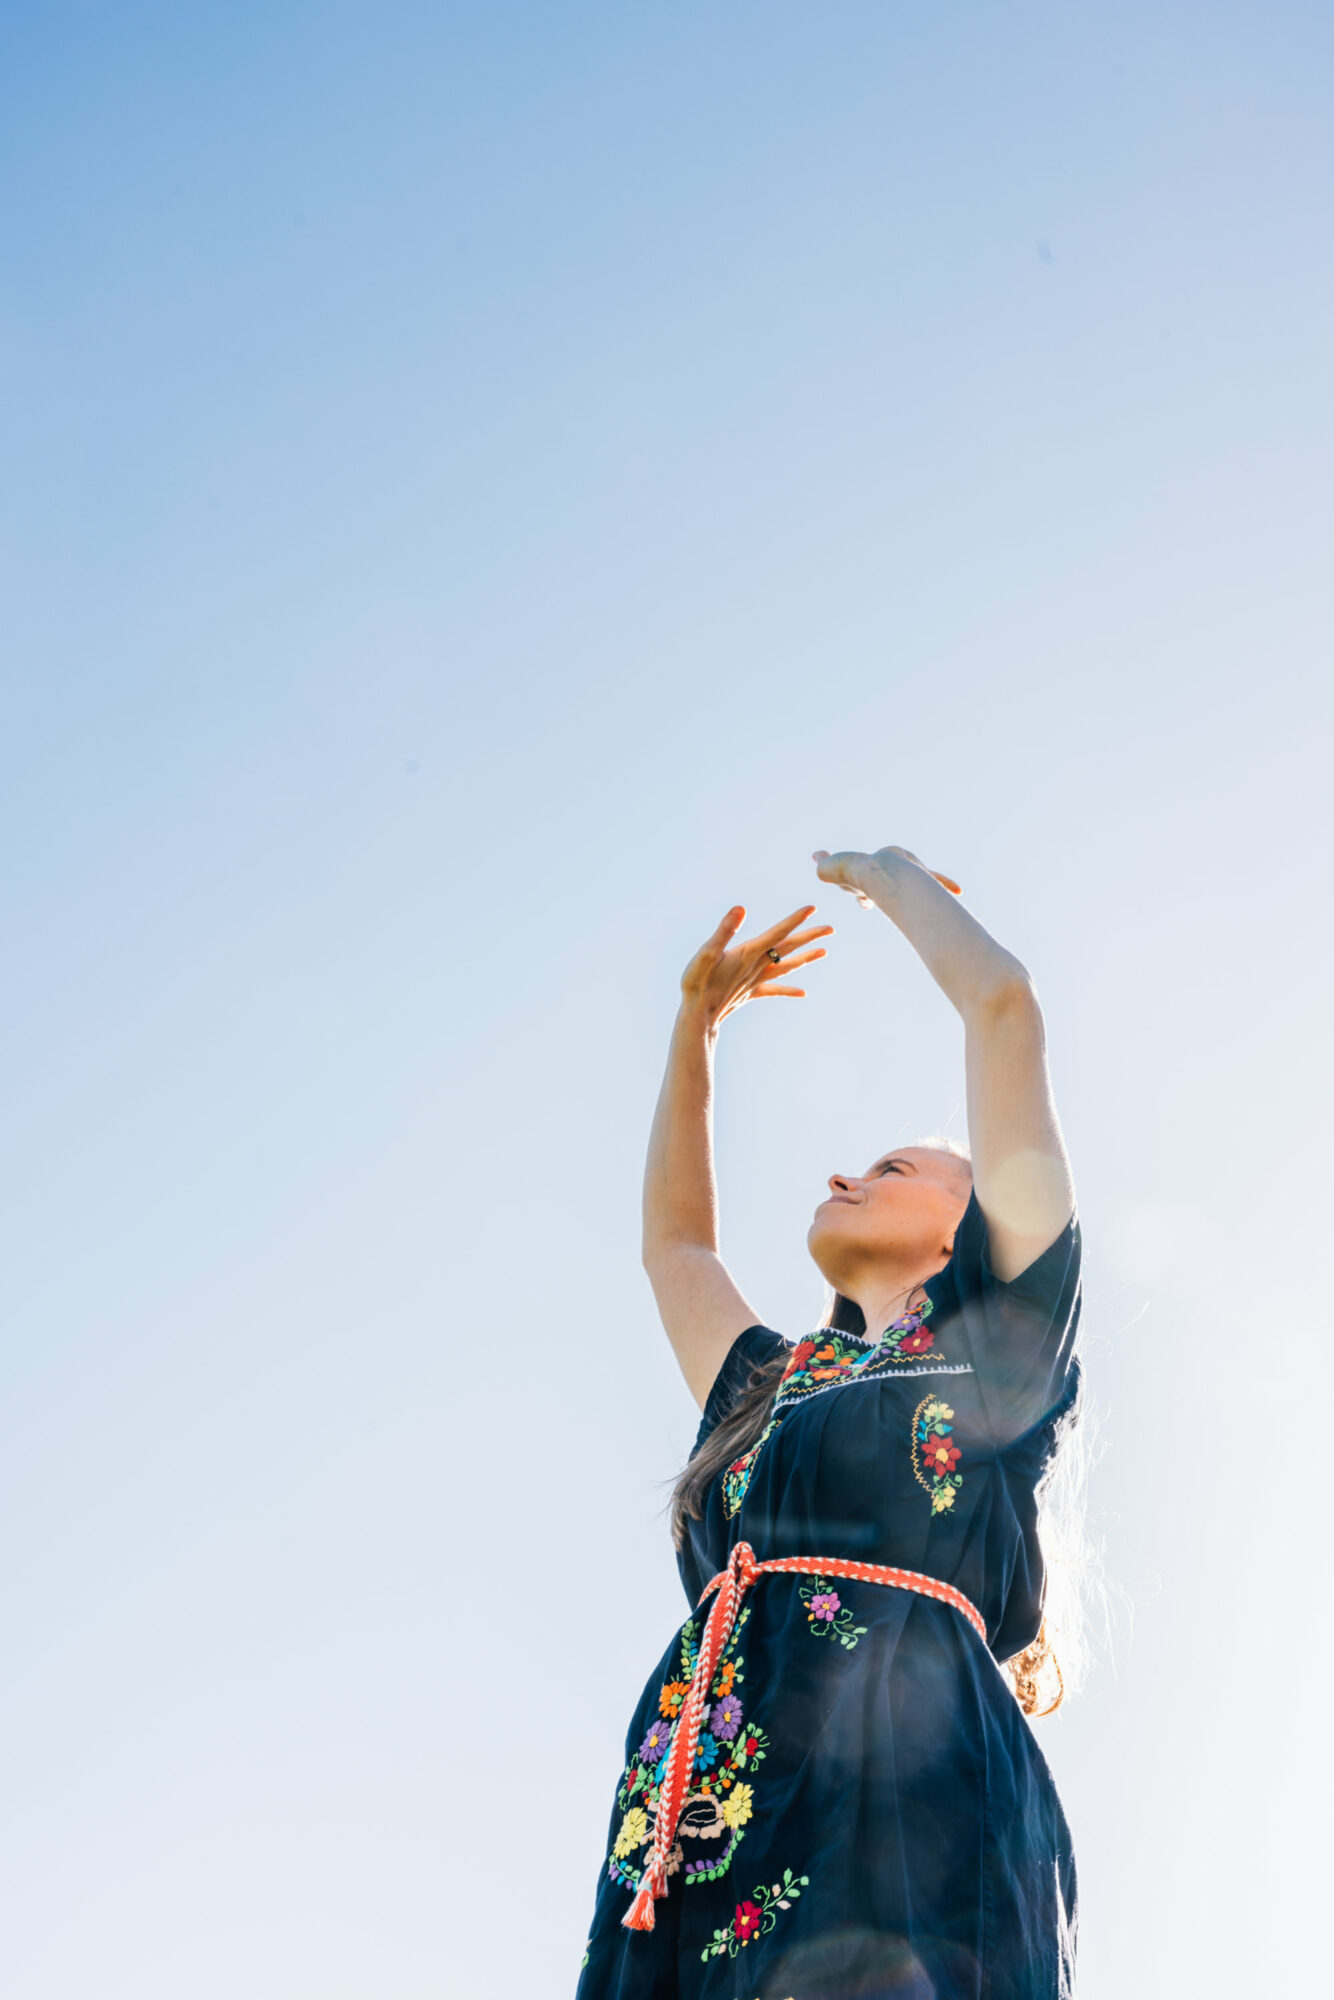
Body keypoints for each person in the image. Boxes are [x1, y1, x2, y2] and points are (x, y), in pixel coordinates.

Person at [575, 846, 1083, 2000]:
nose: (845, 1174)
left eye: (891, 1166)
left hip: (908, 1786)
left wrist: (890, 878)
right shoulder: (766, 1380)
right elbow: (677, 1247)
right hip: (701, 1799)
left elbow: (1002, 1006)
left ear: (967, 1228)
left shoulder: (993, 1345)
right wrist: (693, 1027)